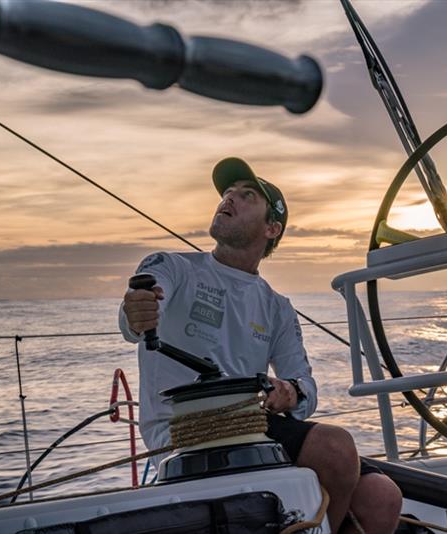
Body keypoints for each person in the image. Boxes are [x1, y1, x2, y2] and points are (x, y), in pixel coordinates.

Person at [119, 157, 402, 533]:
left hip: (253, 427)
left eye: (246, 195)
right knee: (334, 448)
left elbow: (305, 387)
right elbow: (142, 305)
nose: (229, 198)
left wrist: (291, 392)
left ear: (272, 228)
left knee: (381, 497)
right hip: (183, 431)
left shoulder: (277, 307)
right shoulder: (174, 267)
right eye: (228, 193)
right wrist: (137, 312)